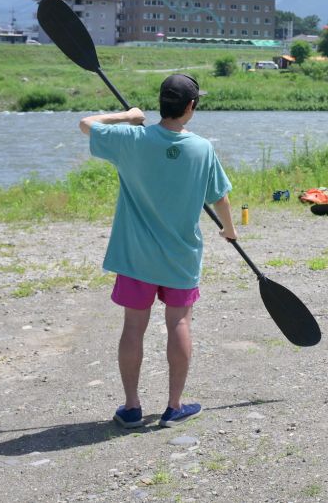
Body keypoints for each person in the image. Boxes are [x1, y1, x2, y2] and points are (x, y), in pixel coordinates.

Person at [80, 73, 236, 429]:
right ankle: (174, 406)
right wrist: (229, 228)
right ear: (191, 107)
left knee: (134, 327)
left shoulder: (132, 139)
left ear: (160, 104)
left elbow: (86, 123)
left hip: (136, 257)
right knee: (179, 322)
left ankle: (132, 407)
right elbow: (220, 197)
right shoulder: (202, 148)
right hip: (180, 256)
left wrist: (127, 116)